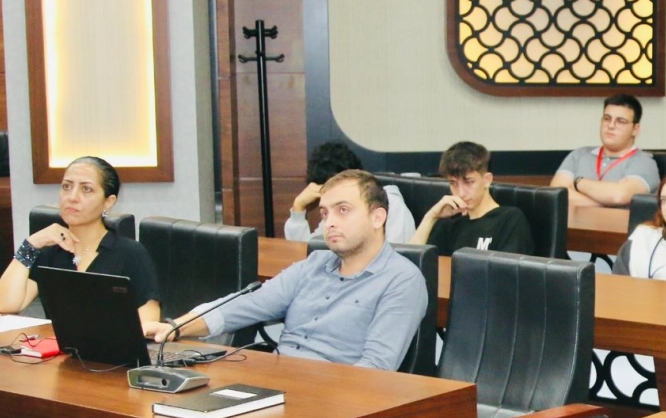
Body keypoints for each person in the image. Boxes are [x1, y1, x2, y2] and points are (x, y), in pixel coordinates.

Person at [150, 171, 427, 371]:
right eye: (325, 213)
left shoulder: (402, 280)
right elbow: (247, 304)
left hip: (334, 399)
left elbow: (376, 370)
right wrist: (175, 327)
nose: (330, 222)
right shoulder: (314, 264)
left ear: (378, 217)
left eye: (343, 210)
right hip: (279, 379)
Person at [0, 157, 161, 333]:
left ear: (108, 202)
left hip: (112, 349)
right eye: (67, 187)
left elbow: (148, 322)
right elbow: (6, 305)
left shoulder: (130, 253)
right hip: (59, 349)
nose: (72, 197)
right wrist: (31, 244)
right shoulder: (51, 252)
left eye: (86, 189)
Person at [411, 141, 533, 256]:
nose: (461, 193)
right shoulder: (449, 223)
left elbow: (508, 269)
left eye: (469, 182)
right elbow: (411, 262)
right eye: (453, 183)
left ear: (487, 180)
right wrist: (431, 217)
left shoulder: (510, 220)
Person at [285, 141, 415, 245]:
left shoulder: (390, 204)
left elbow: (398, 257)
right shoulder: (333, 211)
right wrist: (298, 209)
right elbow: (307, 253)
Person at [552, 94, 661, 207]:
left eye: (621, 121)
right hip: (574, 220)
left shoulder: (644, 163)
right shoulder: (579, 155)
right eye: (607, 119)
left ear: (635, 129)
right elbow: (558, 194)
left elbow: (619, 196)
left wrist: (578, 182)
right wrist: (607, 203)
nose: (611, 126)